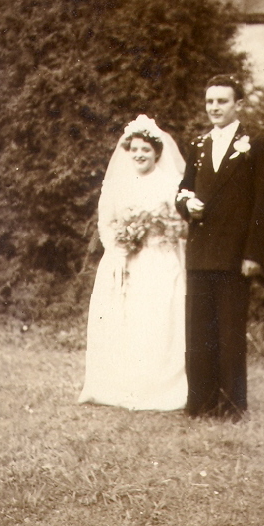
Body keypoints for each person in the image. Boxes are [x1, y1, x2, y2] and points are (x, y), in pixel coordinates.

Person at [176, 75, 264, 420]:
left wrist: (253, 254)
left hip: (235, 255)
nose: (214, 107)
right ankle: (200, 404)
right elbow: (183, 190)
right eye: (210, 102)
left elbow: (262, 204)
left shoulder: (256, 145)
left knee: (230, 332)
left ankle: (232, 406)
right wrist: (187, 206)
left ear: (238, 105)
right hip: (201, 251)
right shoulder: (198, 145)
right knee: (199, 331)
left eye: (222, 101)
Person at [78, 114, 188, 411]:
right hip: (125, 259)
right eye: (135, 149)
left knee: (158, 320)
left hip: (159, 258)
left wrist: (162, 232)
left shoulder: (171, 184)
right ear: (128, 151)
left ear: (157, 153)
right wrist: (119, 248)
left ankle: (158, 385)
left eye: (146, 150)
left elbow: (180, 223)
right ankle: (122, 384)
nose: (140, 154)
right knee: (125, 320)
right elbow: (106, 222)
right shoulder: (117, 185)